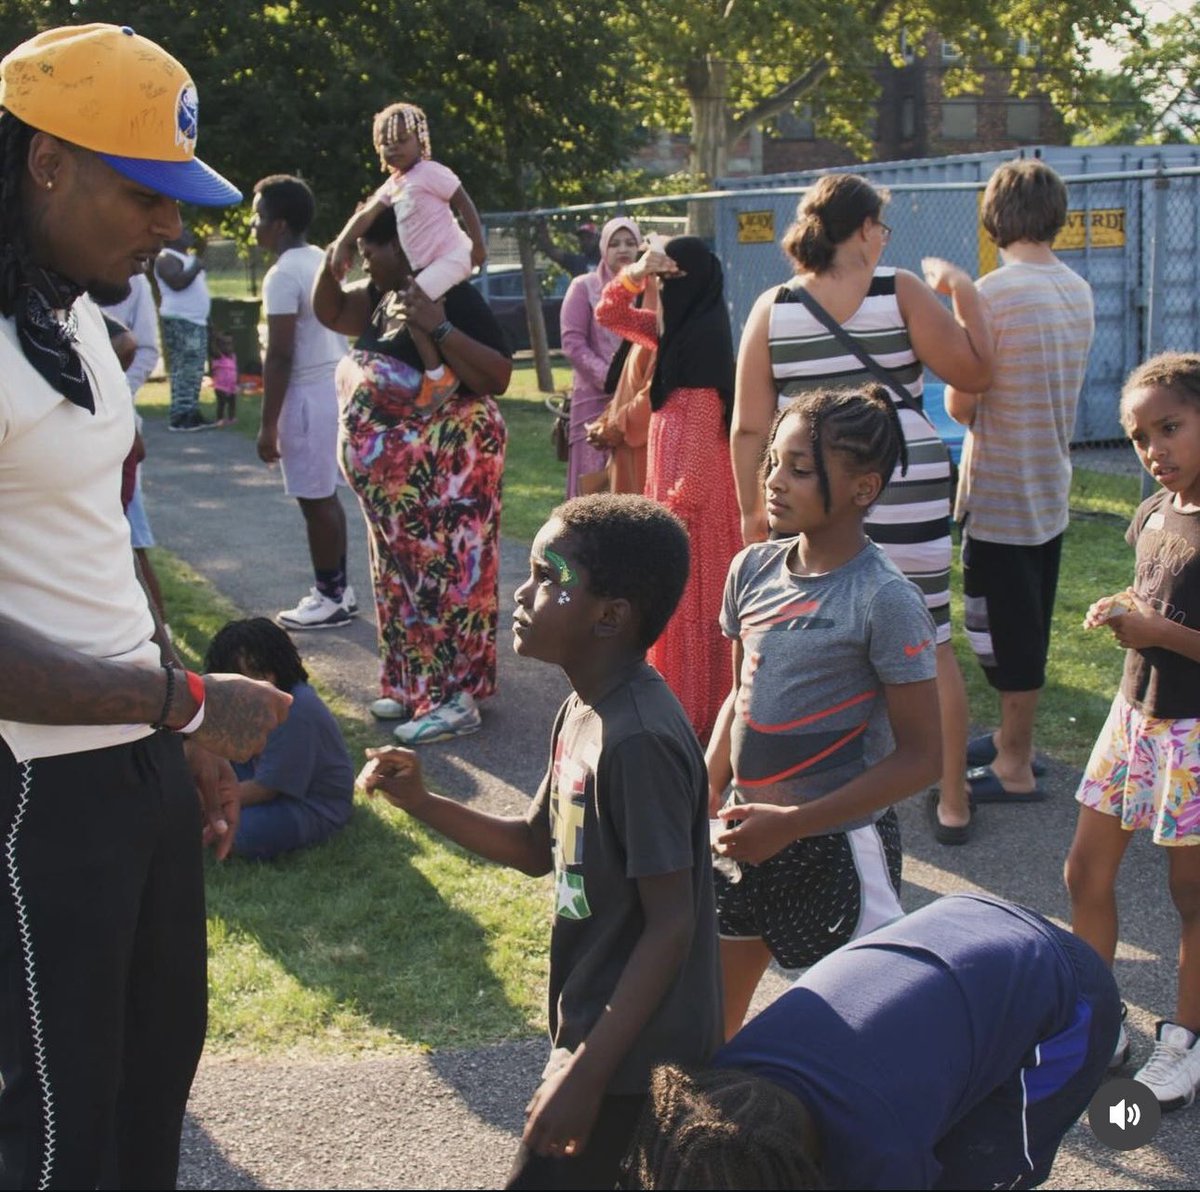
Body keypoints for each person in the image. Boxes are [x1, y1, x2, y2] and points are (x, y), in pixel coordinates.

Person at [0, 23, 292, 1188]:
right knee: (58, 1123)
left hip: (134, 761)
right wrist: (184, 700)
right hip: (35, 787)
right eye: (146, 194)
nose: (173, 228)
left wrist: (182, 735)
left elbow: (106, 539)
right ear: (46, 163)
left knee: (151, 1081)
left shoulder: (75, 310)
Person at [360, 493, 722, 1190]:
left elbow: (672, 923)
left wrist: (587, 1073)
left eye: (548, 577)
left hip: (637, 1063)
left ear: (610, 616)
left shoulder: (638, 738)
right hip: (597, 1037)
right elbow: (534, 847)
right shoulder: (582, 710)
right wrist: (421, 801)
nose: (522, 593)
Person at [732, 173, 993, 845]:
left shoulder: (773, 306)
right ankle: (952, 797)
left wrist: (752, 514)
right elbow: (972, 372)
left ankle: (823, 791)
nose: (883, 238)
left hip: (805, 489)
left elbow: (747, 427)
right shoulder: (899, 289)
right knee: (926, 638)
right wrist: (964, 292)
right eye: (880, 226)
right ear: (860, 231)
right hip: (899, 478)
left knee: (813, 631)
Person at [706, 387, 941, 1039]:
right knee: (710, 1024)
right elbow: (740, 695)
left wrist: (795, 823)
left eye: (800, 469)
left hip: (837, 852)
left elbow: (924, 757)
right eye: (773, 463)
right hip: (743, 837)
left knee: (863, 1034)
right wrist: (704, 783)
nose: (775, 482)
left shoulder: (884, 599)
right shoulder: (751, 569)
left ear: (864, 488)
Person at [622, 893, 1121, 1191]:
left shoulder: (881, 1153)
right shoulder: (717, 1097)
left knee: (975, 1170)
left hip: (1066, 995)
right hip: (961, 925)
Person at [313, 205, 511, 741]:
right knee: (400, 583)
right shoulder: (381, 299)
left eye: (373, 247)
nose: (365, 258)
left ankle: (455, 698)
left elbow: (497, 375)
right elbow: (328, 309)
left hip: (449, 473)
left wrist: (438, 325)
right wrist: (349, 232)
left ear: (404, 248)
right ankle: (411, 685)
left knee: (447, 582)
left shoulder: (454, 296)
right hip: (399, 494)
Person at [1066, 352, 1200, 1111]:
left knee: (1193, 895)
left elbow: (1174, 621)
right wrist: (1122, 607)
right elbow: (1154, 590)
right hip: (1133, 720)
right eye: (1142, 436)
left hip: (1195, 734)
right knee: (1085, 873)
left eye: (1171, 427)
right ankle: (1098, 1021)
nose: (1155, 450)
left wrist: (1155, 630)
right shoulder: (1152, 510)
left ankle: (1184, 1040)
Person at [946, 160, 1095, 806]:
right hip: (1050, 482)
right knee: (1027, 620)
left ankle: (1015, 763)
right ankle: (1016, 742)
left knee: (1005, 631)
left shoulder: (993, 293)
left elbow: (961, 403)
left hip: (1003, 486)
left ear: (995, 215)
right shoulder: (1078, 289)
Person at [596, 236, 742, 743]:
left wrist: (656, 530)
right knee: (676, 628)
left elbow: (698, 482)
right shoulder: (673, 338)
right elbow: (608, 313)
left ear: (696, 285)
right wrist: (636, 272)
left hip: (692, 533)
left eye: (673, 281)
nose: (665, 291)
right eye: (664, 281)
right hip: (673, 522)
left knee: (692, 628)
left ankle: (689, 730)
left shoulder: (699, 360)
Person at [250, 174, 356, 630]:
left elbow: (280, 355)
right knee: (325, 496)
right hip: (337, 387)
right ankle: (339, 589)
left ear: (279, 223)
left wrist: (267, 424)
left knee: (315, 500)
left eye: (258, 216)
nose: (253, 225)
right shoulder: (322, 261)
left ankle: (329, 595)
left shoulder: (282, 274)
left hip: (307, 394)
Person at [204, 619, 353, 860]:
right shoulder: (245, 703)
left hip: (308, 804)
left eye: (261, 671)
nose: (259, 681)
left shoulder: (297, 708)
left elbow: (266, 789)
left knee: (231, 834)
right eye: (243, 677)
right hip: (256, 776)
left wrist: (207, 803)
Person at [330, 101, 486, 312]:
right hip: (426, 267)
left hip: (453, 256)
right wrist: (342, 243)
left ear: (421, 141)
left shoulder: (430, 172)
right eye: (385, 143)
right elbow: (367, 215)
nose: (393, 147)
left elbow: (464, 203)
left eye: (402, 140)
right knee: (408, 306)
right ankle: (432, 342)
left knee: (409, 304)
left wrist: (478, 245)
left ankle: (437, 341)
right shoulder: (394, 184)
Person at [102, 269, 168, 625]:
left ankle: (161, 634)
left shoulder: (134, 279)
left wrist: (113, 394)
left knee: (130, 541)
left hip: (116, 422)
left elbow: (138, 347)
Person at [559, 217, 641, 497]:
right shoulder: (584, 286)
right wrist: (611, 379)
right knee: (592, 491)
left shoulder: (649, 293)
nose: (623, 250)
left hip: (638, 406)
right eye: (615, 243)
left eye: (630, 243)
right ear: (604, 249)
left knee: (633, 489)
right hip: (594, 404)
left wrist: (634, 388)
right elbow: (572, 342)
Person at [584, 280, 657, 496]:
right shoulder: (650, 327)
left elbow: (652, 396)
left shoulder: (669, 331)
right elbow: (608, 312)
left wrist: (614, 427)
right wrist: (608, 420)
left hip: (646, 452)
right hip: (626, 451)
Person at [156, 225, 215, 432]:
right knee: (185, 368)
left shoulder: (187, 258)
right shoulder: (166, 258)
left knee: (195, 369)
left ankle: (191, 410)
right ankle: (181, 416)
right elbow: (177, 282)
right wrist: (196, 267)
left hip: (196, 321)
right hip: (181, 320)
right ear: (172, 235)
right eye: (184, 230)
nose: (190, 234)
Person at [536, 219, 601, 278]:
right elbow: (552, 251)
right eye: (582, 239)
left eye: (589, 237)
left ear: (598, 238)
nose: (585, 241)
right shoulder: (576, 261)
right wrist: (541, 222)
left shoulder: (606, 260)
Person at [210, 326, 238, 425]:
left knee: (232, 403)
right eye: (224, 344)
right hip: (220, 386)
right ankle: (220, 419)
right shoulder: (218, 356)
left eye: (230, 344)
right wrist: (215, 337)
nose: (227, 347)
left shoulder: (233, 356)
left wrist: (236, 382)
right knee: (222, 403)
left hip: (231, 386)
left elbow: (235, 371)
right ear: (219, 345)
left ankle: (231, 418)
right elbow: (213, 347)